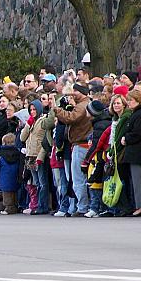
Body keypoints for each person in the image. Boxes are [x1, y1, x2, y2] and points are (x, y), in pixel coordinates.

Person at [51, 83, 92, 216]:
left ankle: (82, 206)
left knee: (78, 178)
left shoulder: (82, 106)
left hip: (81, 145)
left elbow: (70, 118)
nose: (72, 93)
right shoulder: (84, 104)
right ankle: (84, 205)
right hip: (81, 144)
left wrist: (56, 109)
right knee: (81, 177)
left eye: (75, 91)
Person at [120, 90, 141, 216]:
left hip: (138, 151)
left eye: (131, 100)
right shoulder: (137, 113)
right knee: (135, 180)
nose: (128, 103)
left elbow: (138, 132)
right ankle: (137, 205)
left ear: (138, 101)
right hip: (135, 151)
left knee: (139, 180)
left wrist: (126, 138)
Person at [0, 133, 24, 215]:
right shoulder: (18, 153)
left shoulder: (0, 154)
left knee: (7, 195)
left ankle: (8, 208)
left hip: (4, 179)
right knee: (15, 193)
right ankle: (15, 206)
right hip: (15, 177)